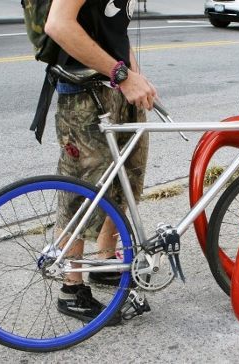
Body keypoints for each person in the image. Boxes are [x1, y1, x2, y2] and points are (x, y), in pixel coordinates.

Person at [44, 0, 156, 325]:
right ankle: (72, 289)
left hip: (118, 87)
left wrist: (135, 77)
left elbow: (115, 30)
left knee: (125, 182)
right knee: (81, 194)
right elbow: (58, 24)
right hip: (84, 93)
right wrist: (124, 76)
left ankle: (107, 264)